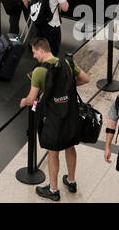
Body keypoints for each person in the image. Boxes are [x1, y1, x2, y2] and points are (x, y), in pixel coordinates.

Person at [19, 38, 89, 200]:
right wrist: (69, 87)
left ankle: (53, 190)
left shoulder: (39, 71)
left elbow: (31, 99)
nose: (34, 56)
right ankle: (71, 181)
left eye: (34, 52)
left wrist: (23, 101)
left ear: (41, 50)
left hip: (53, 117)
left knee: (53, 153)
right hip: (70, 113)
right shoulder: (68, 63)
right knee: (70, 147)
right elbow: (85, 79)